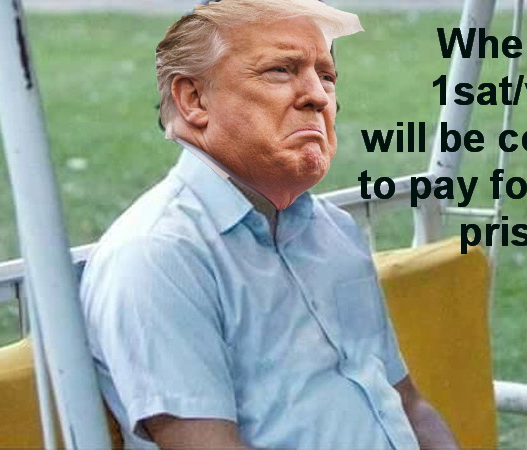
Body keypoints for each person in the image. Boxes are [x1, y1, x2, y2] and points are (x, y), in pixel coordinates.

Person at [80, 0, 459, 448]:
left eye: (327, 76)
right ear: (194, 99)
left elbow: (409, 406)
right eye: (280, 70)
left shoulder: (332, 230)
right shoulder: (158, 256)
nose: (318, 96)